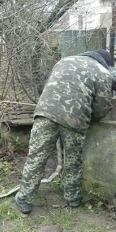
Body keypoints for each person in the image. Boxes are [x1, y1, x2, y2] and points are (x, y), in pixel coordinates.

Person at [15, 49, 114, 214]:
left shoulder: (64, 60)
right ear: (105, 62)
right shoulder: (103, 72)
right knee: (73, 159)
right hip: (75, 119)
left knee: (36, 157)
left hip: (46, 112)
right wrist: (92, 117)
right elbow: (102, 107)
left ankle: (24, 198)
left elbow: (50, 87)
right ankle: (73, 198)